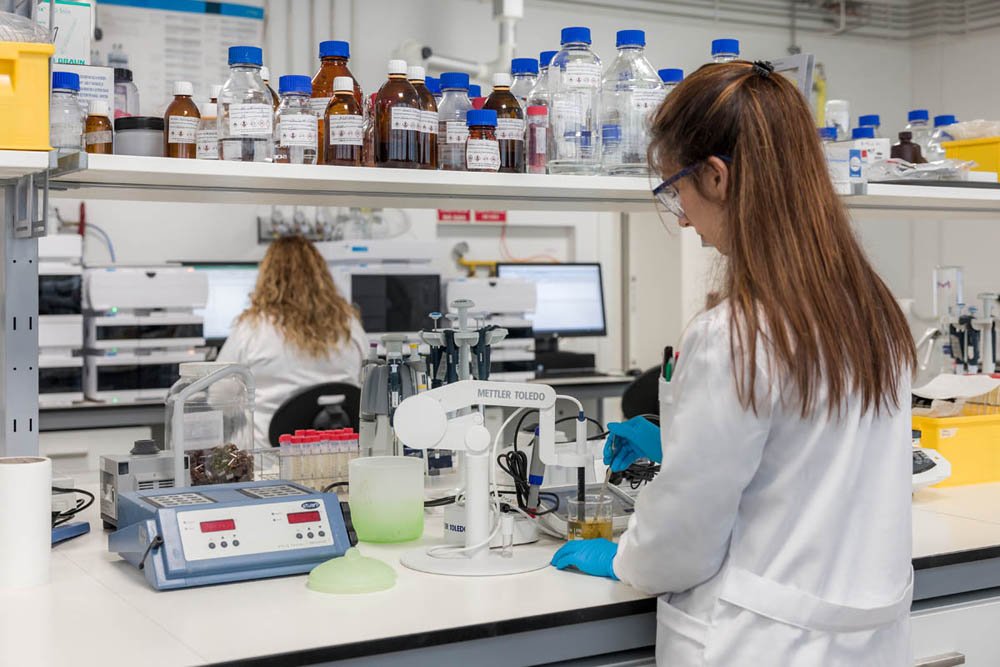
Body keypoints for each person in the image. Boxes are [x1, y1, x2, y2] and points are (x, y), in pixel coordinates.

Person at [551, 61, 916, 665]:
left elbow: (683, 544)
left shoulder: (736, 334)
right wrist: (682, 448)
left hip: (761, 645)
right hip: (864, 643)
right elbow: (814, 459)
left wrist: (625, 557)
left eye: (676, 190)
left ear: (717, 177)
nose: (682, 216)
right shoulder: (876, 313)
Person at [217, 236, 367, 447]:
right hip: (337, 456)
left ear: (267, 277)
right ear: (321, 276)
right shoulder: (349, 325)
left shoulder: (252, 328)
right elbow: (367, 381)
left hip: (269, 459)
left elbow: (218, 396)